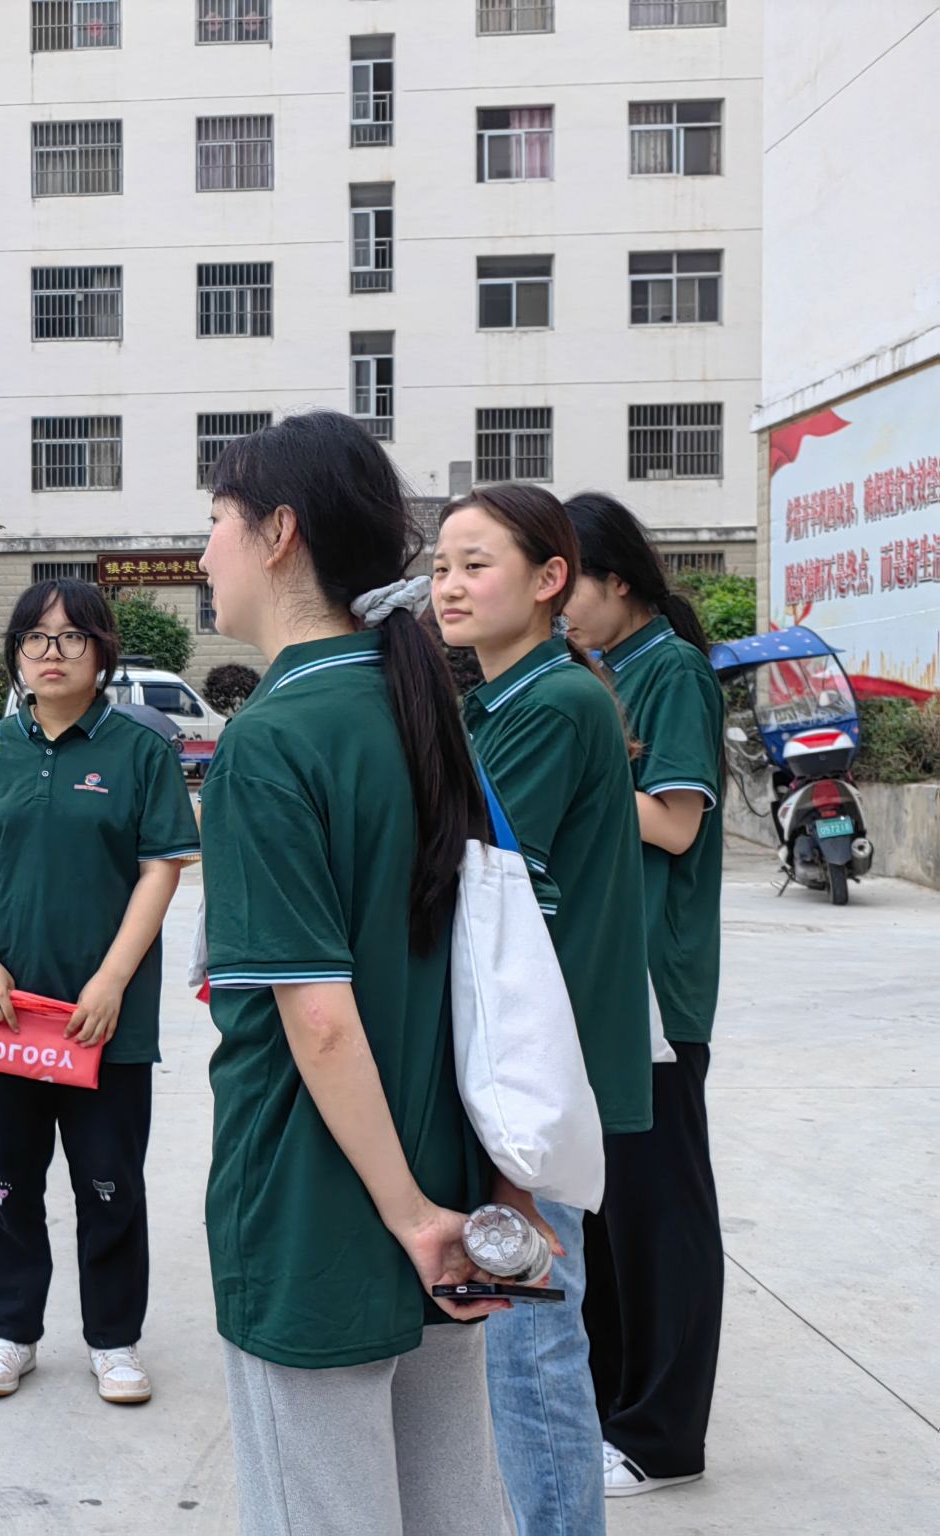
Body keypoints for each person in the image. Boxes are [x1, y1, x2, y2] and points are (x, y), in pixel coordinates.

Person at [198, 411, 517, 1535]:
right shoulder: (417, 711)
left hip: (320, 1203)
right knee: (451, 1506)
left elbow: (319, 1019)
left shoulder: (270, 739)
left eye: (217, 521)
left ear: (278, 533)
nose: (203, 552)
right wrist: (455, 1204)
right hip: (443, 1177)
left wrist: (407, 1216)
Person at [433, 484, 655, 1535]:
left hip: (533, 1061)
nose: (448, 586)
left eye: (475, 564)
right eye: (440, 567)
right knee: (518, 1330)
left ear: (548, 579)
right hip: (525, 1053)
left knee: (528, 1341)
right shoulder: (497, 702)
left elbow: (479, 884)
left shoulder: (552, 704)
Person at [0, 579, 199, 1405]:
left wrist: (111, 980)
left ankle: (114, 1341)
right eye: (35, 638)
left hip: (103, 1020)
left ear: (102, 651)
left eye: (72, 637)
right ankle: (9, 1332)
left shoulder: (141, 751)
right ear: (16, 652)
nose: (52, 653)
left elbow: (161, 868)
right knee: (3, 1180)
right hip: (4, 1013)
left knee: (110, 1184)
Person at [562, 491, 726, 1499]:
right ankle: (612, 1409)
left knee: (660, 1218)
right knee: (606, 1212)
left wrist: (572, 772)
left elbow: (672, 823)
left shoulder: (668, 672)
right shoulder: (604, 671)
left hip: (653, 989)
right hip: (603, 981)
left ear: (618, 581)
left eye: (568, 585)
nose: (557, 609)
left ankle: (663, 1439)